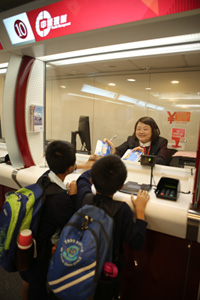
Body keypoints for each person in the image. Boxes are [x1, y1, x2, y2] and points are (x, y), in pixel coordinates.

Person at [19, 140, 97, 300]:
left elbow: (68, 167)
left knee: (28, 281)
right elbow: (73, 225)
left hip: (31, 242)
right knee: (38, 289)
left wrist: (85, 166)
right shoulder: (58, 199)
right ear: (69, 167)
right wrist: (74, 194)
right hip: (42, 254)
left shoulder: (45, 177)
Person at [77, 154, 150, 300]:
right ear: (121, 186)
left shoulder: (85, 198)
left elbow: (82, 180)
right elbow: (138, 242)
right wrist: (140, 211)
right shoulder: (122, 210)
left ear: (92, 180)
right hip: (107, 272)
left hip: (82, 266)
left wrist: (90, 167)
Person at [105, 116, 171, 165]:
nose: (141, 132)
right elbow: (119, 152)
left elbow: (162, 161)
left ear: (153, 131)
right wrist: (112, 150)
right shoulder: (131, 140)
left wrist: (144, 157)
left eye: (145, 129)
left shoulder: (161, 142)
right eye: (138, 129)